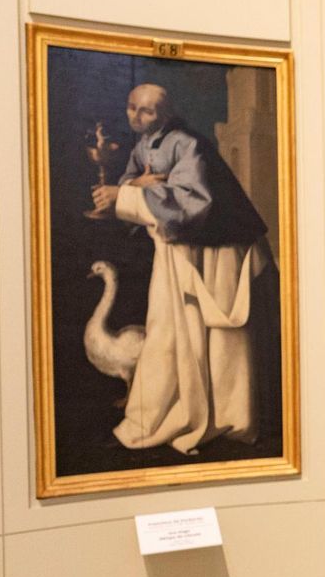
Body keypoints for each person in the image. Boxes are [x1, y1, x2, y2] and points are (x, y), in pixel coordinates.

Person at [90, 83, 273, 454]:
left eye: (147, 111)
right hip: (181, 247)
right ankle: (157, 415)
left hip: (220, 250)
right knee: (170, 331)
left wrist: (125, 195)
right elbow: (136, 187)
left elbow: (192, 203)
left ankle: (226, 419)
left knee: (219, 342)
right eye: (132, 108)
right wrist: (133, 187)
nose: (136, 116)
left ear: (166, 114)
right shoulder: (144, 144)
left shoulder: (189, 144)